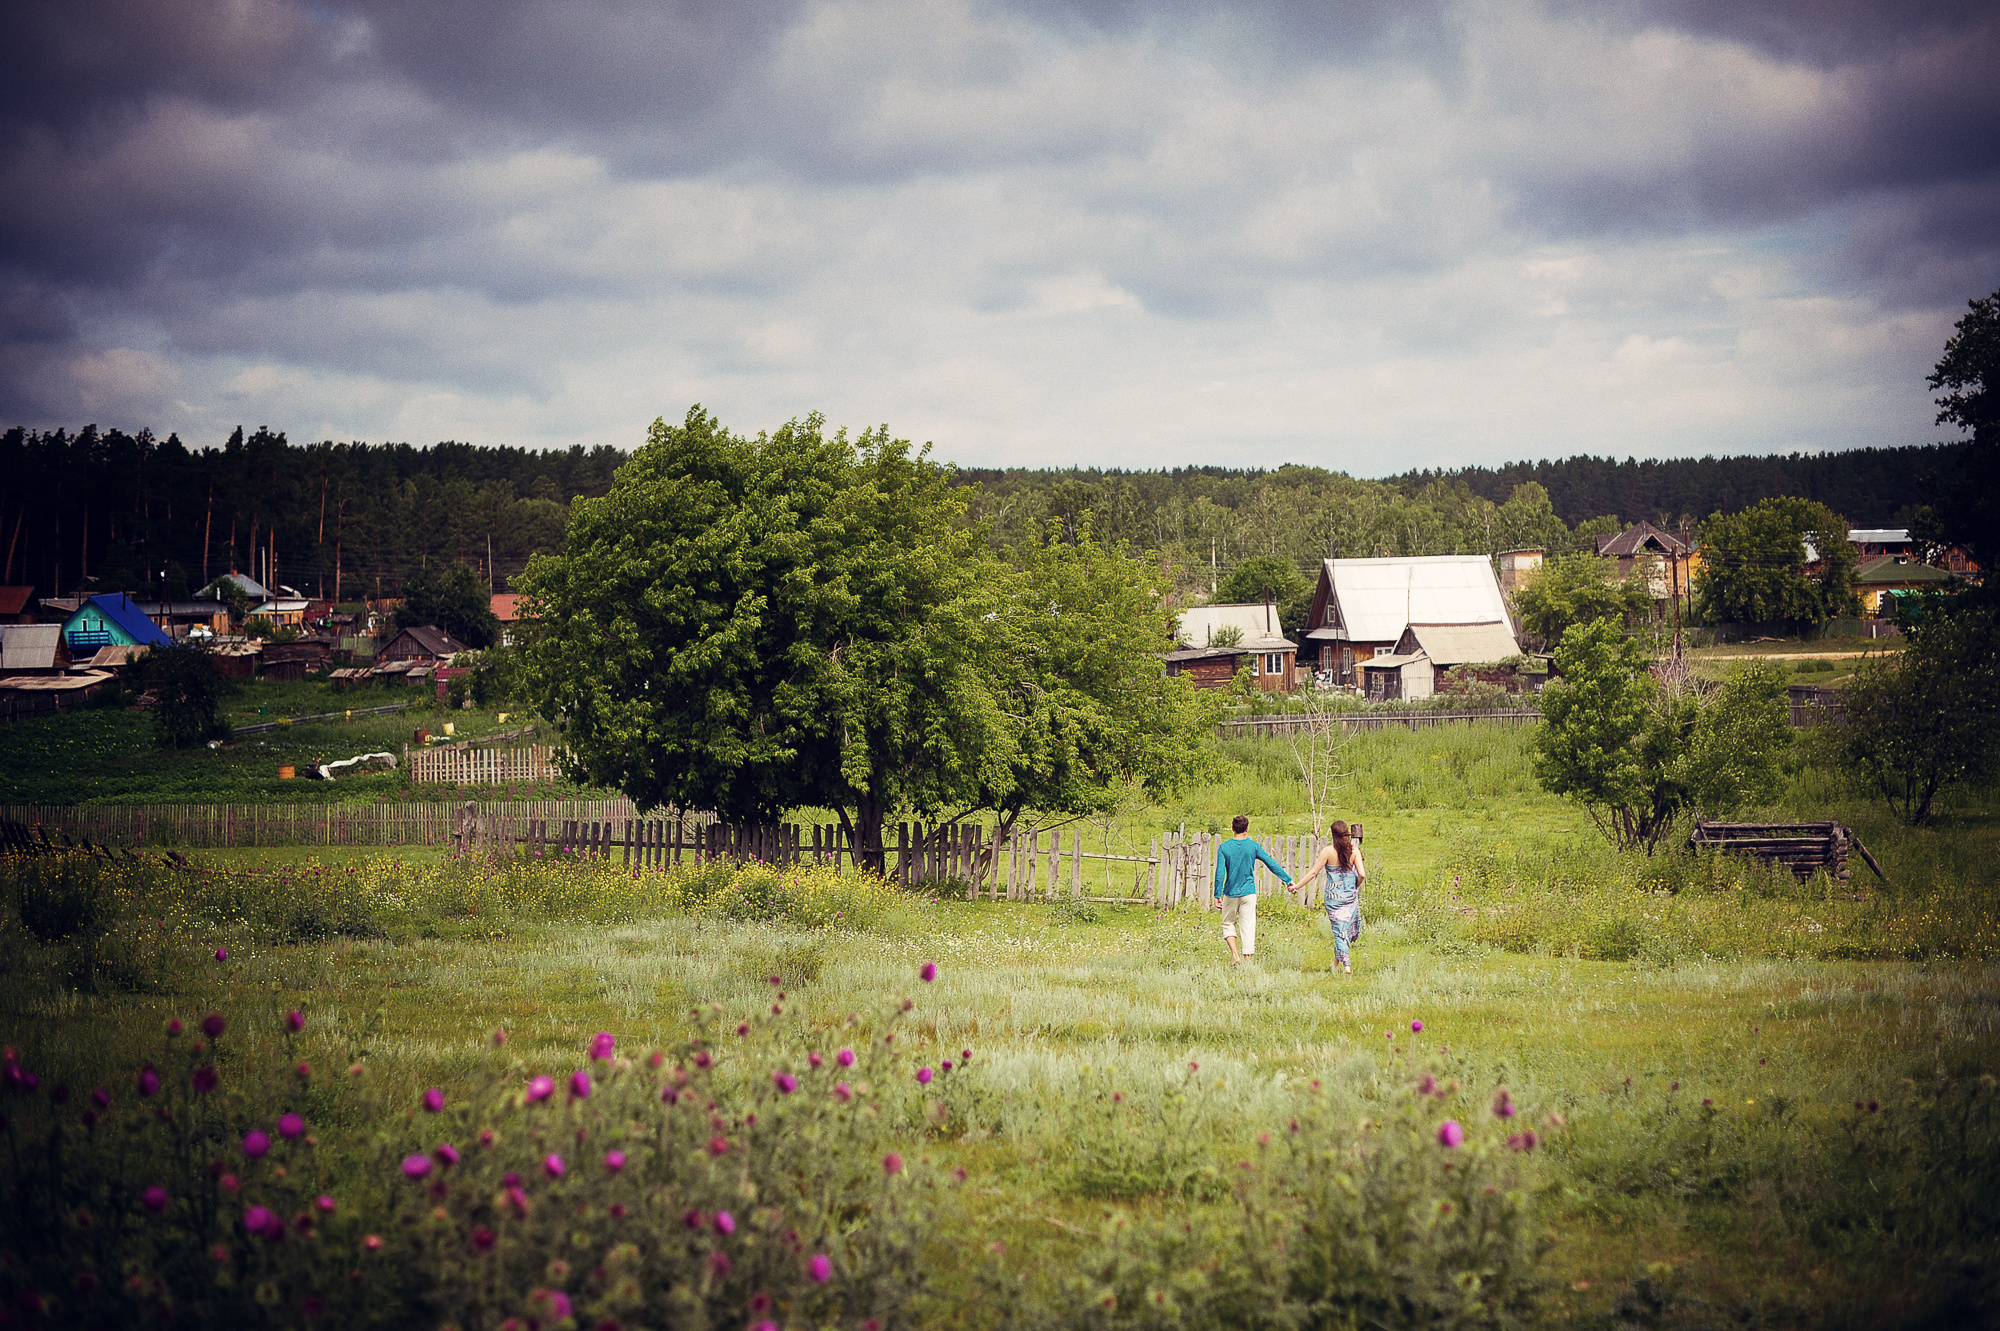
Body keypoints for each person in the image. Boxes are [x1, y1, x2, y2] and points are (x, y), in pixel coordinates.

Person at [1212, 814, 1292, 966]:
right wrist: (1287, 879)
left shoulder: (1224, 847)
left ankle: (1236, 957)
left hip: (1230, 892)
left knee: (1228, 923)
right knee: (1248, 925)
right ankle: (1247, 961)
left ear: (1232, 828)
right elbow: (1270, 863)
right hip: (1249, 892)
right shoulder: (1253, 846)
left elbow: (1220, 873)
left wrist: (1217, 894)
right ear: (1247, 829)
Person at [1298, 820, 1365, 974]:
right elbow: (1362, 874)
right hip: (1349, 897)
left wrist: (1297, 886)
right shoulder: (1354, 851)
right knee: (1343, 930)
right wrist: (1356, 885)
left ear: (1333, 835)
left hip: (1333, 898)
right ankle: (1335, 965)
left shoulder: (1327, 851)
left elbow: (1313, 872)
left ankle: (1346, 965)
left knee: (1339, 930)